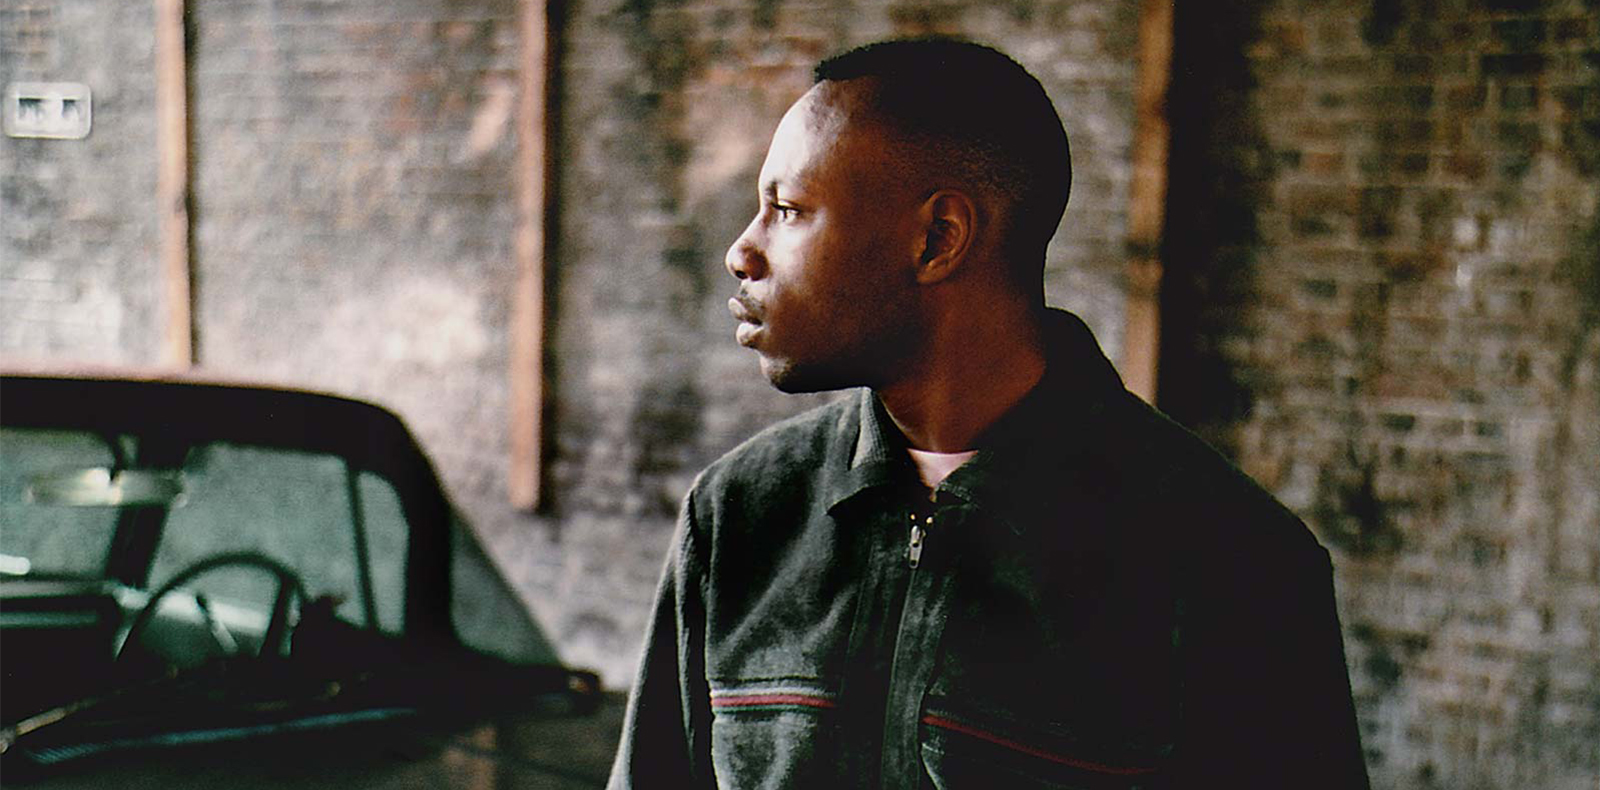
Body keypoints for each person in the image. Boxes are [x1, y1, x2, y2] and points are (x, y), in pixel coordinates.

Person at [608, 38, 1370, 789]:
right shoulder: (739, 513)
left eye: (787, 209)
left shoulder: (1230, 559)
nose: (741, 252)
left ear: (939, 238)